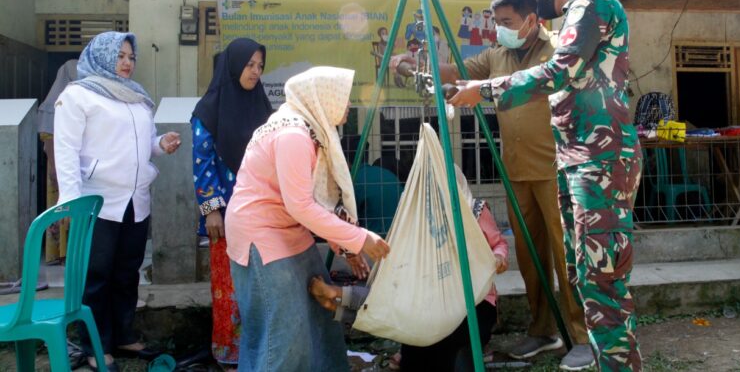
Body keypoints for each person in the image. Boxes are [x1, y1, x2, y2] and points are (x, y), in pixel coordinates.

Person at [453, 0, 642, 371]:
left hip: (601, 160)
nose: (538, 3)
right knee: (586, 276)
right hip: (577, 159)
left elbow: (559, 70)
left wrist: (485, 90)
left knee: (602, 280)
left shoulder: (591, 4)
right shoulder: (579, 11)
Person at [391, 0, 593, 370]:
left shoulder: (557, 54)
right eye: (496, 22)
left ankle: (582, 335)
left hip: (556, 168)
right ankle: (542, 329)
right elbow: (456, 71)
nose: (498, 28)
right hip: (516, 168)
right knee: (530, 254)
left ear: (531, 20)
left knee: (566, 253)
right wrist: (416, 63)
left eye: (506, 22)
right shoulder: (497, 55)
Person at [225, 66, 390, 372]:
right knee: (282, 334)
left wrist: (346, 244)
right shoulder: (293, 135)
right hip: (263, 234)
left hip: (286, 228)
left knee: (318, 316)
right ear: (322, 98)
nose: (349, 105)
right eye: (343, 98)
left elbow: (314, 200)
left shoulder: (307, 130)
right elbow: (301, 205)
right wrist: (360, 238)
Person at [55, 31, 181, 371]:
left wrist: (160, 144)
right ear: (102, 55)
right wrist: (70, 202)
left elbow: (140, 143)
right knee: (96, 276)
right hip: (97, 202)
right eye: (120, 56)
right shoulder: (78, 95)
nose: (127, 63)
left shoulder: (135, 97)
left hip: (134, 200)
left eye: (131, 57)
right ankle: (97, 345)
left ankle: (123, 335)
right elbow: (65, 151)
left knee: (127, 272)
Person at [308, 166, 509, 371]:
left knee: (434, 336)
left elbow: (499, 243)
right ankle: (344, 300)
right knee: (415, 331)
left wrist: (498, 257)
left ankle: (344, 299)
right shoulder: (421, 217)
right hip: (431, 299)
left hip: (475, 301)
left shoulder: (474, 211)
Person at [191, 38, 272, 370]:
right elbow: (202, 161)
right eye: (249, 64)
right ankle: (230, 353)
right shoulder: (208, 110)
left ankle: (260, 348)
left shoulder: (262, 108)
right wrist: (211, 209)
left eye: (260, 66)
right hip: (224, 216)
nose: (255, 72)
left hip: (261, 214)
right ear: (233, 65)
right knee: (230, 285)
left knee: (262, 284)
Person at [38, 58, 78, 265]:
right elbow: (48, 139)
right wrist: (54, 167)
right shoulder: (56, 104)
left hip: (74, 165)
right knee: (63, 206)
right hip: (60, 165)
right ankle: (62, 253)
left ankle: (72, 251)